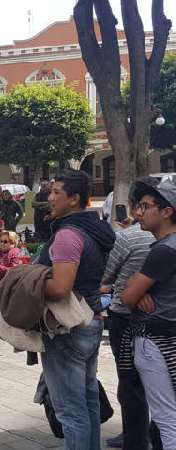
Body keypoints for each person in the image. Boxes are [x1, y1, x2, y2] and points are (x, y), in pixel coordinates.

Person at [38, 169, 115, 450]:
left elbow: (60, 287)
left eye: (56, 192)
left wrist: (25, 282)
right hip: (91, 320)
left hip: (67, 326)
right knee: (88, 399)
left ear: (74, 199)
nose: (50, 197)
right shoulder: (95, 229)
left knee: (71, 410)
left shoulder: (68, 235)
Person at [100, 177, 160, 450]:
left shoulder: (127, 238)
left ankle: (135, 437)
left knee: (130, 381)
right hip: (161, 317)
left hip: (125, 316)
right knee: (159, 382)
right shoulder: (164, 239)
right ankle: (155, 433)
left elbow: (106, 277)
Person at [120, 180, 176, 449]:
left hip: (157, 340)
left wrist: (134, 288)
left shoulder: (165, 250)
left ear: (167, 211)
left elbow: (127, 296)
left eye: (146, 206)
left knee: (166, 416)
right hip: (166, 336)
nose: (139, 212)